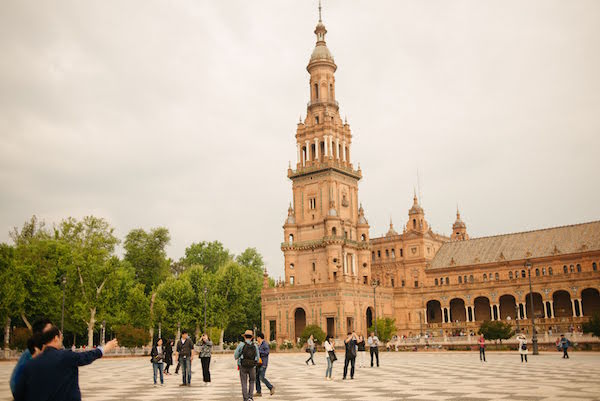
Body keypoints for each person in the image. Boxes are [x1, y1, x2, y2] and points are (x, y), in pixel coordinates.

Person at [14, 325, 119, 401]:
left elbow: (18, 394)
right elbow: (86, 357)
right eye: (61, 337)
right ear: (56, 338)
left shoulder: (30, 365)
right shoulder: (66, 357)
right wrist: (105, 348)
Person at [9, 318, 53, 397]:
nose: (53, 333)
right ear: (40, 334)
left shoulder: (48, 352)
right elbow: (15, 383)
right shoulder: (30, 353)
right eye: (49, 331)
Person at [234, 329, 260, 401]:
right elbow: (258, 357)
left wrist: (239, 357)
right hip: (252, 366)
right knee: (252, 381)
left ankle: (245, 398)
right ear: (252, 337)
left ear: (244, 337)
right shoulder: (255, 345)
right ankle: (250, 397)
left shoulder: (241, 345)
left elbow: (235, 355)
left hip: (243, 365)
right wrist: (255, 363)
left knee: (244, 382)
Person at [255, 332, 275, 397]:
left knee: (261, 377)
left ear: (259, 337)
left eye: (257, 337)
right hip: (258, 363)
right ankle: (258, 392)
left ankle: (271, 387)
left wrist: (258, 352)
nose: (256, 339)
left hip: (263, 363)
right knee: (257, 377)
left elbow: (267, 352)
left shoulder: (265, 344)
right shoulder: (259, 345)